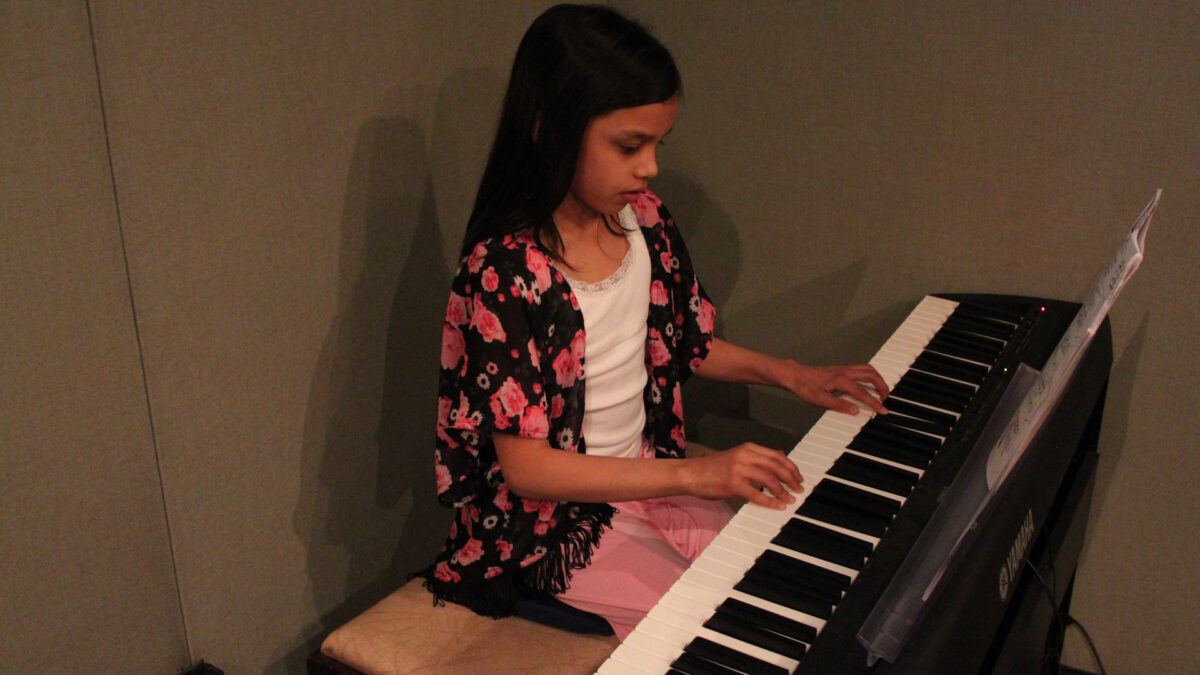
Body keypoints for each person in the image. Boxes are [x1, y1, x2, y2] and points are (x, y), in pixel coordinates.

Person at [420, 3, 888, 639]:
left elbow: (684, 342)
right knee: (728, 627)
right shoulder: (506, 270)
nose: (650, 167)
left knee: (782, 583)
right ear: (547, 127)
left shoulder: (642, 218)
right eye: (629, 146)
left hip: (646, 470)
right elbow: (529, 468)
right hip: (551, 527)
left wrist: (793, 374)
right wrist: (697, 472)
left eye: (656, 145)